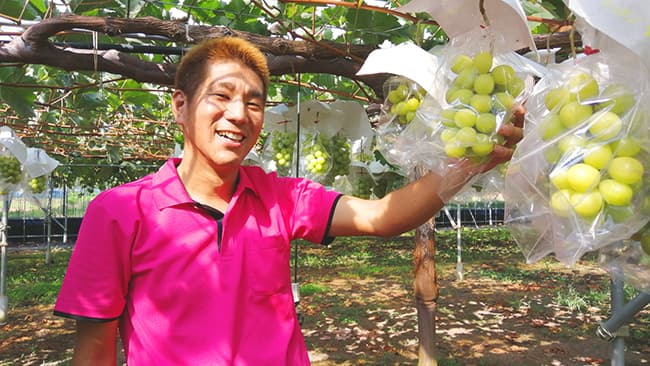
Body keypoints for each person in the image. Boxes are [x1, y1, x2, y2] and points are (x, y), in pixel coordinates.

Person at [54, 37, 523, 365]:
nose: (238, 114)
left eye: (254, 102)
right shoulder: (121, 211)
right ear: (180, 105)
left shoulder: (280, 198)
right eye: (221, 96)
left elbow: (383, 217)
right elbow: (95, 349)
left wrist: (469, 165)